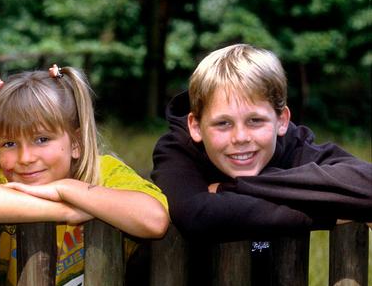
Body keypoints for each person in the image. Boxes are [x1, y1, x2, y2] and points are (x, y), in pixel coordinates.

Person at [0, 64, 169, 286]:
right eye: (9, 144)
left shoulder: (104, 172)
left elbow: (154, 219)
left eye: (42, 139)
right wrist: (67, 211)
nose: (25, 158)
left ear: (76, 143)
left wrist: (65, 189)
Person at [151, 43, 372, 242]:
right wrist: (327, 213)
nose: (240, 137)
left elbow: (367, 183)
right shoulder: (176, 149)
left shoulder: (291, 144)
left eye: (255, 121)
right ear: (196, 126)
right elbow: (197, 215)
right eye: (223, 123)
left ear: (282, 121)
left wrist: (231, 188)